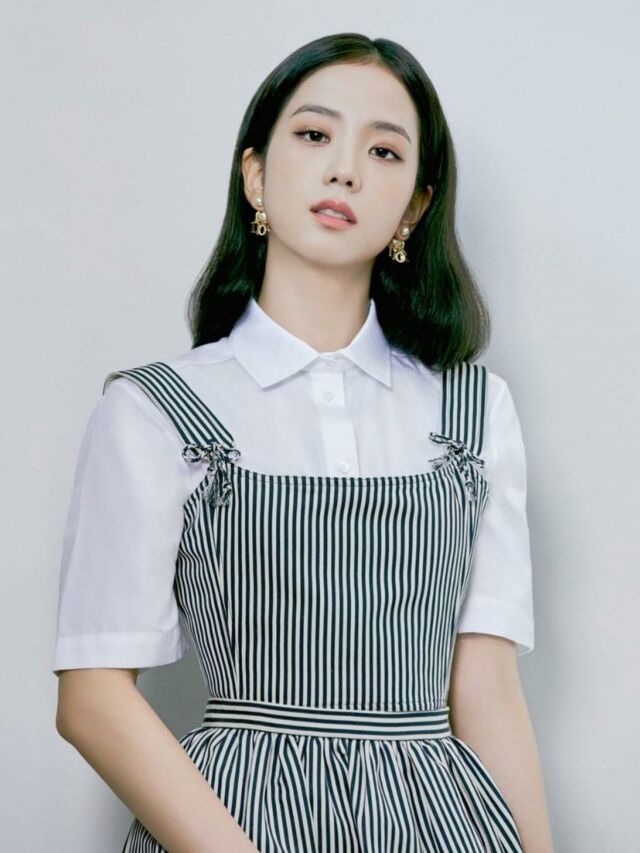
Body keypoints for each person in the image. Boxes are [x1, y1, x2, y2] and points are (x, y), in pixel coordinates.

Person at [53, 32, 554, 853]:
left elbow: (488, 687)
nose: (345, 170)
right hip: (231, 824)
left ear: (415, 206)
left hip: (439, 826)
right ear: (255, 175)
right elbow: (92, 697)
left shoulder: (474, 411)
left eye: (384, 151)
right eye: (315, 134)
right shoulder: (154, 410)